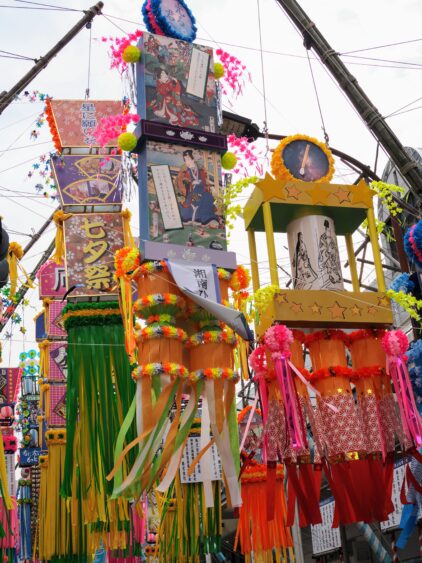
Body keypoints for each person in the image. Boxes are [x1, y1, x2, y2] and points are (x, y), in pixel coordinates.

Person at [176, 150, 220, 226]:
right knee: (198, 198)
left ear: (193, 159)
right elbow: (179, 182)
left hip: (201, 189)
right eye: (185, 160)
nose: (187, 162)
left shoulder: (200, 169)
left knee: (208, 197)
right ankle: (196, 219)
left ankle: (208, 219)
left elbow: (204, 181)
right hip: (190, 191)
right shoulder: (184, 171)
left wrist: (208, 186)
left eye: (188, 159)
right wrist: (191, 183)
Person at [318, 219, 342, 286]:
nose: (327, 228)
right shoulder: (323, 236)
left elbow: (332, 244)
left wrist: (332, 250)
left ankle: (336, 277)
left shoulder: (328, 234)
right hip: (327, 254)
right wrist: (328, 251)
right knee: (331, 266)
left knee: (333, 266)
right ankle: (335, 277)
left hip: (330, 254)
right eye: (327, 226)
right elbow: (323, 246)